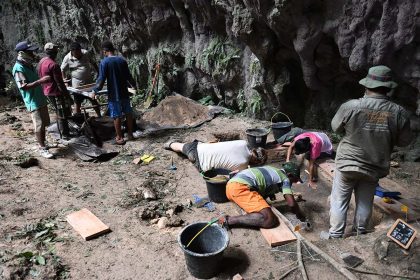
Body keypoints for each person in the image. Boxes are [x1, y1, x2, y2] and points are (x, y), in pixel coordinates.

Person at [327, 65, 413, 239]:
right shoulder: (399, 113)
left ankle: (335, 235)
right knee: (365, 201)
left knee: (339, 200)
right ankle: (361, 233)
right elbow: (405, 141)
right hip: (374, 165)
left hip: (348, 163)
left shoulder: (350, 106)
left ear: (366, 85)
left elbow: (335, 128)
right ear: (388, 88)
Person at [220, 163, 306, 229]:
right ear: (289, 175)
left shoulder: (273, 169)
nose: (292, 183)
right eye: (294, 180)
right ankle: (229, 220)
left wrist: (270, 193)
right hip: (240, 188)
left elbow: (262, 181)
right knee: (269, 219)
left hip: (231, 186)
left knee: (264, 203)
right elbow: (291, 204)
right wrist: (300, 215)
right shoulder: (285, 179)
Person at [12, 41, 53, 159]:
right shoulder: (18, 68)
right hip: (32, 101)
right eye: (30, 52)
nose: (33, 53)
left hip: (39, 97)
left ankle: (43, 143)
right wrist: (41, 81)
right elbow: (23, 86)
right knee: (39, 125)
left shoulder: (28, 64)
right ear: (23, 53)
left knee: (44, 123)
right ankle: (42, 148)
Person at [91, 41, 136, 145]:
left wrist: (95, 91)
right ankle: (130, 134)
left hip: (114, 94)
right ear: (113, 49)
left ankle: (119, 137)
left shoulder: (104, 62)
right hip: (124, 92)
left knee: (116, 115)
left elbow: (101, 79)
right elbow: (128, 76)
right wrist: (134, 85)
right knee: (128, 113)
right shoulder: (122, 60)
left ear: (105, 51)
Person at [163, 139, 267, 172]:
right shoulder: (243, 165)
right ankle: (189, 155)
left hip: (198, 148)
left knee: (180, 146)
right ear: (256, 162)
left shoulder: (243, 142)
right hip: (201, 164)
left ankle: (170, 144)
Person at [38, 42, 73, 139]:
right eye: (56, 50)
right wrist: (68, 96)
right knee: (62, 112)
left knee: (58, 111)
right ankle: (65, 134)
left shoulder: (42, 62)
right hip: (56, 92)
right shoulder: (53, 65)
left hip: (47, 91)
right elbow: (59, 83)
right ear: (54, 52)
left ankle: (62, 132)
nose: (57, 51)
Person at [61, 42, 101, 116]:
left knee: (93, 99)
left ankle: (99, 115)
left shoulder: (86, 53)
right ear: (72, 51)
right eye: (76, 53)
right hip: (77, 85)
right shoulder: (67, 58)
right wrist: (65, 81)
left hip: (89, 83)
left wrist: (99, 73)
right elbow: (62, 70)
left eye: (79, 52)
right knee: (77, 102)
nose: (78, 54)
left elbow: (93, 63)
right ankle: (78, 118)